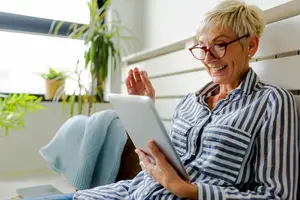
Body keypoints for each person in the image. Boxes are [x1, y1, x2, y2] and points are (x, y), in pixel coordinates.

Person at [23, 0, 299, 199]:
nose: (209, 58)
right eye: (202, 48)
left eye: (220, 44)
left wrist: (185, 190)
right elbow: (167, 161)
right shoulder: (189, 103)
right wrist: (146, 114)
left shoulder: (273, 103)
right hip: (133, 192)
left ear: (250, 45)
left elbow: (276, 195)